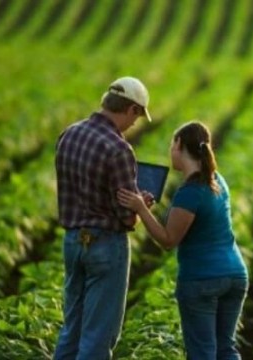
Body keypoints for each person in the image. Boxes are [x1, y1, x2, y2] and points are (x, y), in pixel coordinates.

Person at [117, 121, 249, 359]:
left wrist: (141, 210)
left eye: (171, 144)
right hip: (235, 274)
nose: (170, 150)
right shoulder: (217, 180)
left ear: (178, 145)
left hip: (202, 279)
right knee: (226, 349)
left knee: (202, 352)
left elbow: (168, 240)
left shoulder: (190, 192)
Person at [54, 76, 154, 359]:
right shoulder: (118, 148)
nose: (135, 123)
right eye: (137, 116)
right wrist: (140, 206)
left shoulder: (68, 134)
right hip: (106, 245)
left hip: (73, 241)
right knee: (98, 335)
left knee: (72, 328)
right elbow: (125, 217)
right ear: (131, 109)